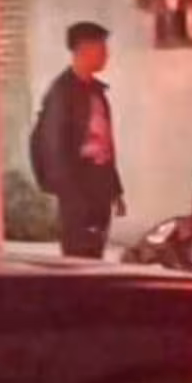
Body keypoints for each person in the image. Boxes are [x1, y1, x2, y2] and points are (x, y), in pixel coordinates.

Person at [35, 21, 126, 258]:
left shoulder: (96, 92)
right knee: (78, 255)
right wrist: (72, 194)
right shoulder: (62, 92)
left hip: (99, 184)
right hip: (78, 186)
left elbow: (105, 145)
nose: (106, 55)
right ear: (83, 50)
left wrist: (115, 189)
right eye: (101, 48)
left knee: (95, 252)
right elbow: (53, 148)